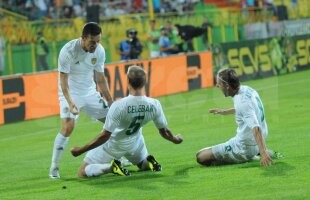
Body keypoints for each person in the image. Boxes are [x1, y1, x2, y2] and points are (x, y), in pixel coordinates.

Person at [70, 65, 183, 178]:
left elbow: (105, 136)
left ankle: (111, 167)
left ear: (128, 81)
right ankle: (147, 162)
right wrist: (175, 139)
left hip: (114, 145)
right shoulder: (154, 104)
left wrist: (80, 150)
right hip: (135, 144)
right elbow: (164, 131)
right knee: (141, 165)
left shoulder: (119, 106)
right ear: (144, 83)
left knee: (83, 172)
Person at [49, 22, 114, 179]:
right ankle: (54, 168)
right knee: (68, 127)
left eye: (98, 41)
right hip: (70, 94)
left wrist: (111, 102)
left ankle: (120, 157)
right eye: (93, 41)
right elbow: (63, 81)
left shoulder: (99, 51)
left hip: (90, 93)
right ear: (83, 38)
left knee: (114, 122)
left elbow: (100, 78)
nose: (96, 45)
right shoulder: (68, 51)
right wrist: (70, 102)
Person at [196, 68, 273, 167]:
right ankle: (254, 153)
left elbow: (256, 127)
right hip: (255, 143)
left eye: (219, 84)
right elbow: (247, 110)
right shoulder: (247, 89)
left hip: (243, 147)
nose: (217, 86)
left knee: (200, 156)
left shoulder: (242, 102)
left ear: (227, 86)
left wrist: (263, 153)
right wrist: (224, 111)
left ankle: (248, 156)